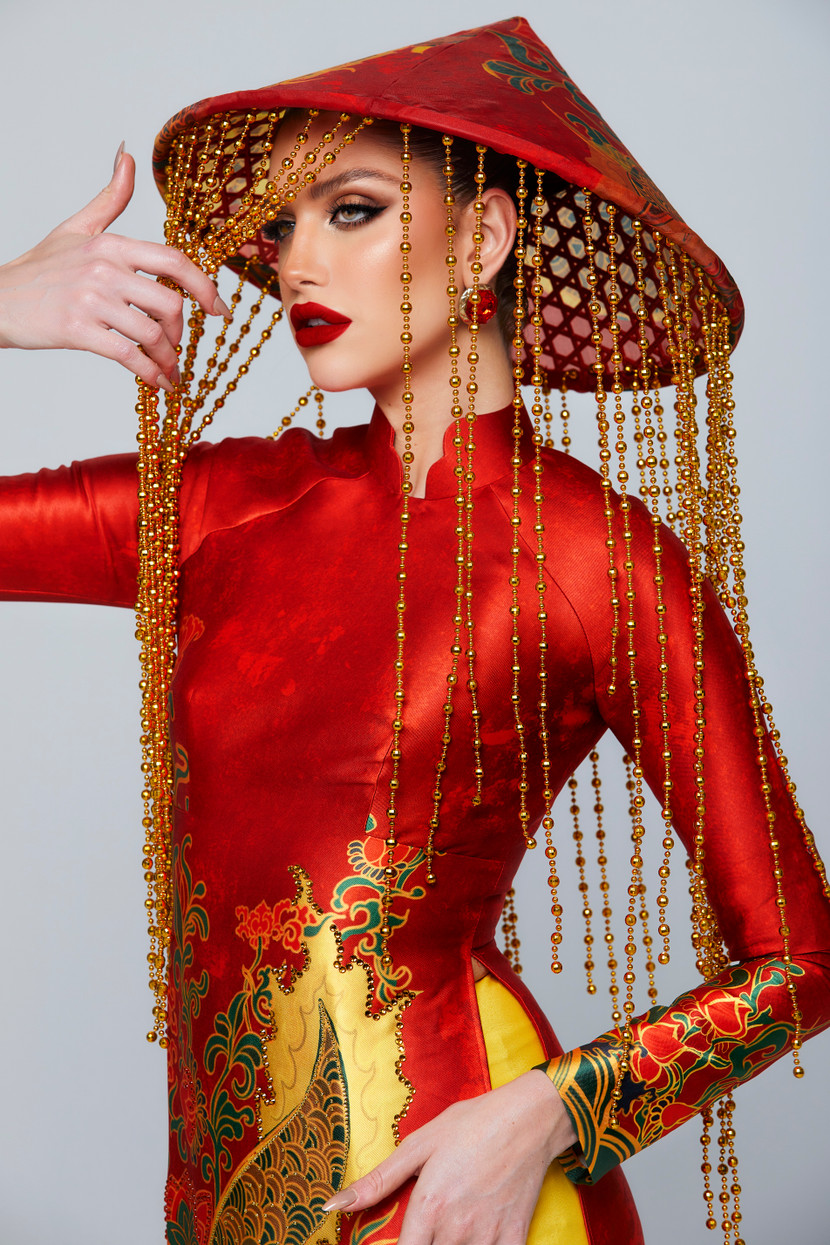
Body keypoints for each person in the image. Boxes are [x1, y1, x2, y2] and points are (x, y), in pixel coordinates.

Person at [1, 16, 828, 1245]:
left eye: (351, 210)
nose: (296, 262)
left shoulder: (592, 556)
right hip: (219, 1201)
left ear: (482, 237)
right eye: (279, 227)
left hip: (459, 1189)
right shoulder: (222, 505)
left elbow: (798, 958)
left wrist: (544, 1116)